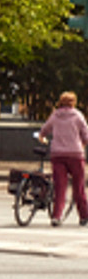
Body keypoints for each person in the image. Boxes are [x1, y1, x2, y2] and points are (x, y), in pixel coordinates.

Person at [39, 91, 88, 226]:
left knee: (60, 187)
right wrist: (81, 145)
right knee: (78, 187)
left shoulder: (55, 115)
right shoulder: (78, 116)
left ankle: (56, 216)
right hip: (76, 155)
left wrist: (42, 138)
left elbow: (44, 131)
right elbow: (86, 136)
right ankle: (84, 216)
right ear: (73, 102)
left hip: (58, 155)